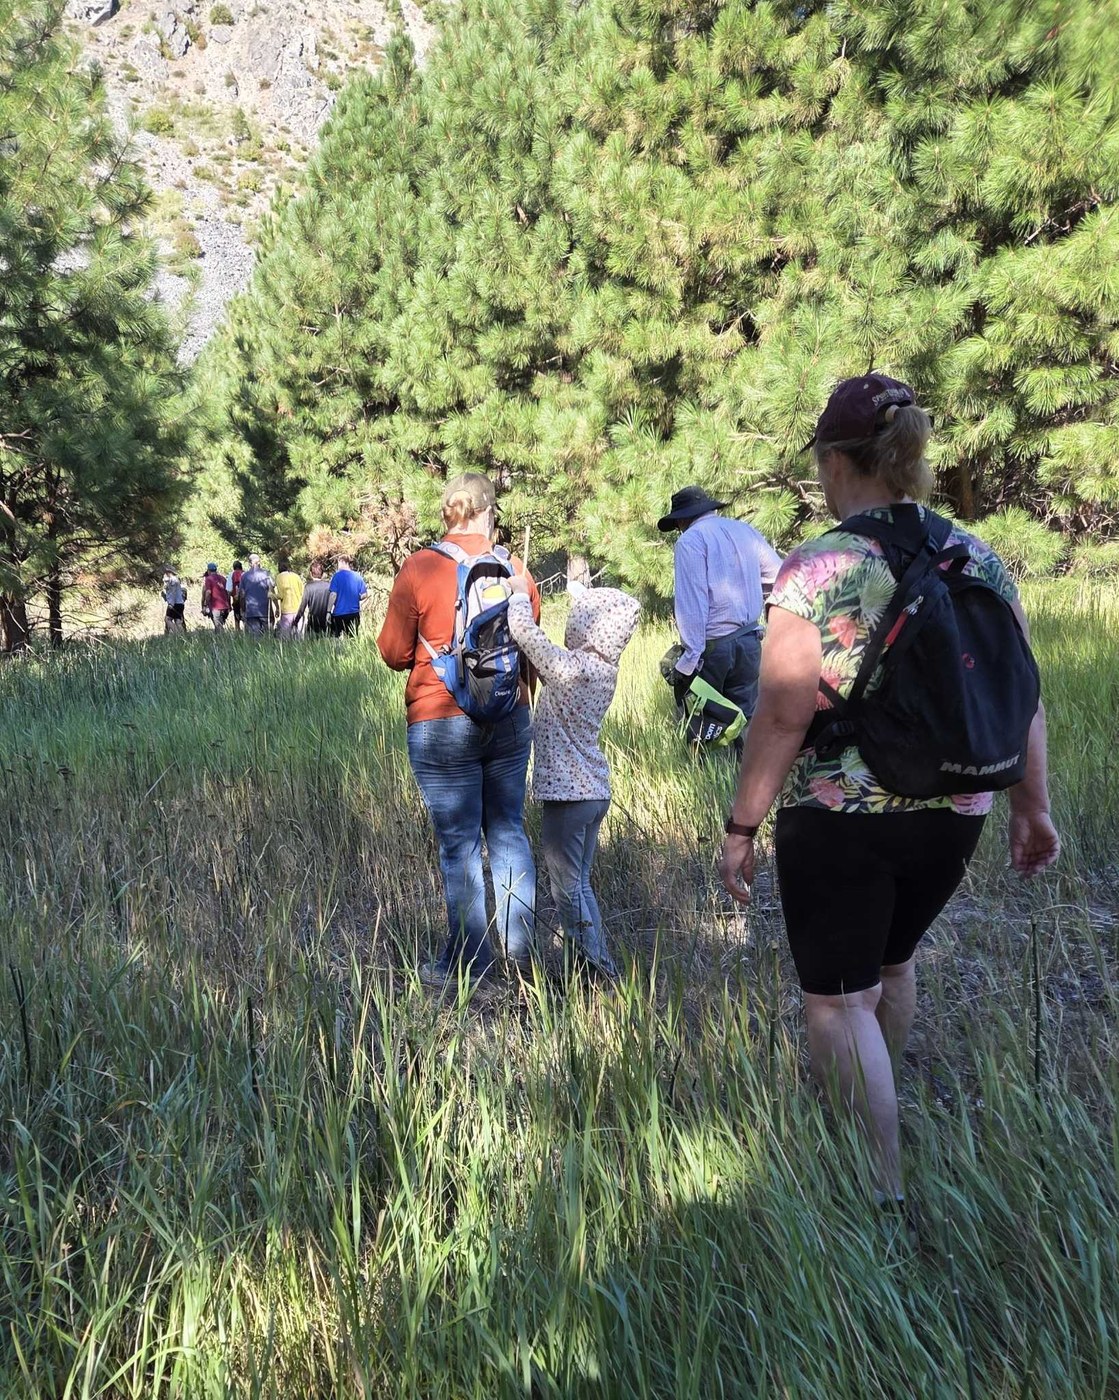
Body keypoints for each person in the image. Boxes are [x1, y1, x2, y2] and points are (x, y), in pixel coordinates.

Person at [717, 374, 1060, 1211]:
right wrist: (1030, 804)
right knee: (889, 964)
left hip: (844, 816)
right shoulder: (976, 555)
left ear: (837, 463)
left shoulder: (820, 564)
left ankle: (875, 1187)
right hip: (957, 811)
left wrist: (740, 827)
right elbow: (1021, 695)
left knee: (835, 1001)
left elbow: (780, 715)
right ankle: (877, 1097)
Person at [377, 472, 540, 987]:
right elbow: (533, 649)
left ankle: (472, 964)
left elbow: (393, 652)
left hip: (440, 718)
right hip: (510, 716)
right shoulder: (516, 570)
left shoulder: (420, 567)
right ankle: (518, 957)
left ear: (448, 511)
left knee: (460, 845)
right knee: (509, 831)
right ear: (489, 511)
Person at [506, 579, 641, 981]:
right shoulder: (600, 670)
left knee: (567, 890)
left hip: (571, 796)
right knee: (578, 885)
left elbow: (526, 634)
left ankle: (598, 968)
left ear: (586, 628)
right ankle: (590, 960)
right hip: (591, 792)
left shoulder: (575, 670)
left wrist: (517, 593)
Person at [657, 485, 782, 725]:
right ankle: (742, 764)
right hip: (749, 643)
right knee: (744, 723)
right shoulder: (745, 530)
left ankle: (704, 765)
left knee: (704, 727)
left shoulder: (690, 541)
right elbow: (778, 577)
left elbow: (693, 604)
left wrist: (689, 661)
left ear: (682, 519)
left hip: (713, 651)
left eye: (677, 525)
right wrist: (754, 598)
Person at [327, 556, 368, 636]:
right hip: (354, 613)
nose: (338, 566)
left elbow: (333, 594)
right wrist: (356, 598)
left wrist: (328, 611)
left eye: (338, 563)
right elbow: (364, 594)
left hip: (339, 613)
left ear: (343, 562)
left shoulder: (336, 576)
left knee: (336, 639)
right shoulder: (358, 576)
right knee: (352, 638)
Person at [239, 553, 276, 637]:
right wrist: (277, 607)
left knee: (255, 639)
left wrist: (242, 609)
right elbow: (272, 591)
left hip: (251, 611)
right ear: (259, 562)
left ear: (249, 563)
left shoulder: (244, 576)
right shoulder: (266, 574)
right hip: (265, 611)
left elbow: (242, 595)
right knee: (267, 637)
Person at [294, 560, 331, 636]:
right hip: (326, 621)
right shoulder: (329, 586)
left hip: (313, 622)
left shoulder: (308, 587)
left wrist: (296, 621)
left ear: (311, 573)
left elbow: (302, 607)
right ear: (322, 573)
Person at [275, 558, 304, 638]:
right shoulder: (296, 576)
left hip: (287, 610)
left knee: (286, 637)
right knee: (299, 637)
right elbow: (302, 592)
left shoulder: (279, 577)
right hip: (298, 609)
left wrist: (271, 595)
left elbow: (280, 595)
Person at [201, 563, 231, 628]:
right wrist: (229, 605)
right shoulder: (223, 578)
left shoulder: (208, 579)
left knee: (218, 627)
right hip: (225, 606)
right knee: (221, 625)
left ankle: (220, 638)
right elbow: (228, 593)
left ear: (208, 570)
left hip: (215, 607)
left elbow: (208, 592)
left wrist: (205, 605)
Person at [161, 569, 187, 634]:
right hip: (180, 603)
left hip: (175, 604)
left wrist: (171, 604)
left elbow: (173, 593)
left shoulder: (173, 580)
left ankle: (177, 633)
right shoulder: (175, 580)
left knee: (167, 619)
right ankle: (183, 636)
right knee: (178, 621)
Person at [228, 561, 245, 631]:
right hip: (245, 600)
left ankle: (238, 634)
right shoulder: (245, 574)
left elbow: (228, 590)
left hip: (236, 600)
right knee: (245, 619)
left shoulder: (231, 575)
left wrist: (228, 604)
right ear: (241, 567)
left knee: (237, 620)